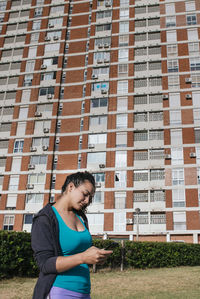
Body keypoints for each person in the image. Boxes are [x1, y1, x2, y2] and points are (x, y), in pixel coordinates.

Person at [31, 171, 112, 299]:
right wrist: (83, 257)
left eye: (90, 197)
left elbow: (80, 251)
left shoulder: (81, 216)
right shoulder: (44, 219)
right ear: (71, 187)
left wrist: (96, 256)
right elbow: (45, 264)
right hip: (60, 291)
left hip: (84, 291)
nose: (87, 201)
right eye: (85, 194)